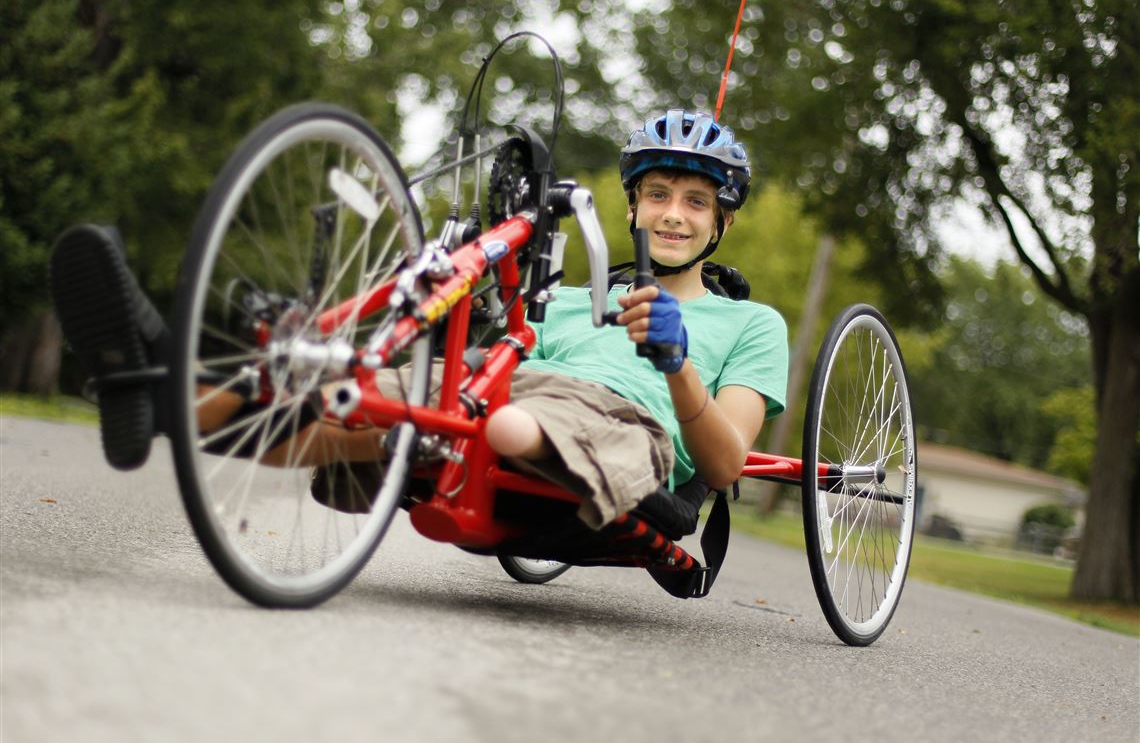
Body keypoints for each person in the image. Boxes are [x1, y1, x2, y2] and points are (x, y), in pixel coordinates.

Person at [50, 109, 788, 532]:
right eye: (658, 193)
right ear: (630, 205)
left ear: (721, 220)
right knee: (350, 385)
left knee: (496, 421)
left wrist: (676, 359)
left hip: (624, 427)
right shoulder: (567, 296)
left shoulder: (752, 323)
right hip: (501, 391)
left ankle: (474, 430)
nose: (673, 214)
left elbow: (724, 466)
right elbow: (494, 357)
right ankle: (154, 380)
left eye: (696, 201)